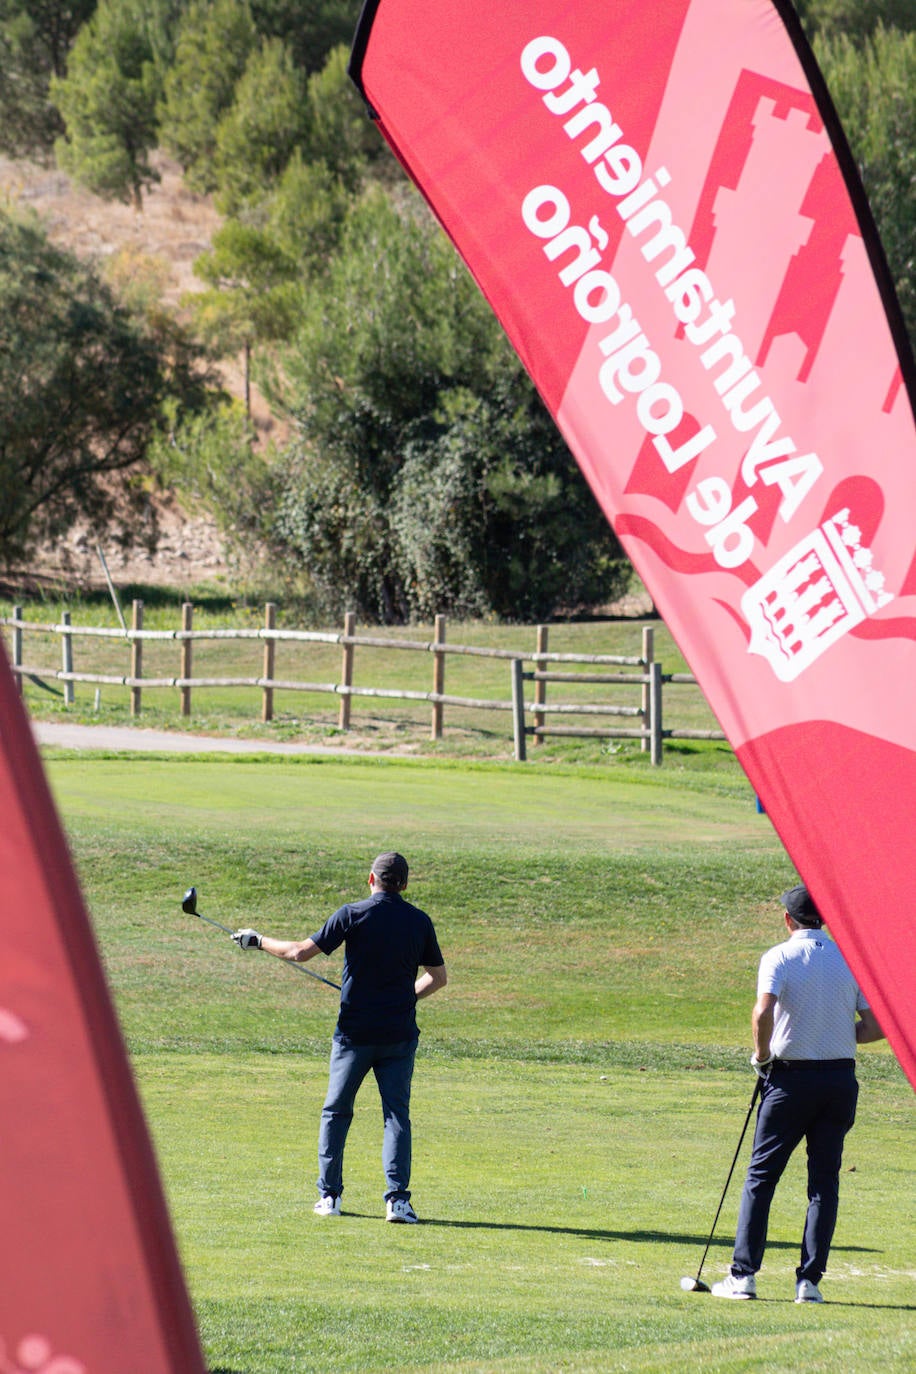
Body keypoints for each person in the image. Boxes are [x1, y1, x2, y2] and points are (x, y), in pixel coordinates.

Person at [231, 851, 447, 1223]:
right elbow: (438, 977)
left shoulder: (353, 913)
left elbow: (300, 952)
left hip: (354, 1036)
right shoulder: (419, 921)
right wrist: (404, 997)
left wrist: (258, 940)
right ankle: (398, 1202)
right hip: (398, 1036)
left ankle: (329, 1197)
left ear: (371, 879)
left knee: (336, 1112)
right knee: (396, 1117)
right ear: (405, 884)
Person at [712, 883, 884, 1303]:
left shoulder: (779, 956)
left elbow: (763, 1011)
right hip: (839, 1081)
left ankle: (743, 1276)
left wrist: (761, 1056)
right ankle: (809, 1283)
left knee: (761, 1177)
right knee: (823, 1183)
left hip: (790, 1081)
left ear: (788, 919)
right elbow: (875, 1026)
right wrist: (838, 1035)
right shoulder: (849, 959)